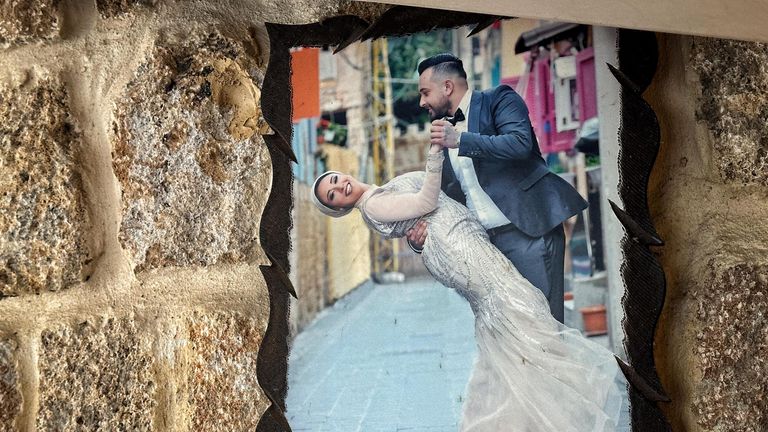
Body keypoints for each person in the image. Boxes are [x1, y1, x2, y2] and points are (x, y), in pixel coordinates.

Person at [311, 141, 629, 431]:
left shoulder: (376, 195)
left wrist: (419, 241)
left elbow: (417, 217)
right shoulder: (371, 206)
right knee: (516, 309)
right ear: (338, 209)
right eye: (333, 195)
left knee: (510, 322)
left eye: (335, 180)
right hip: (458, 249)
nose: (340, 187)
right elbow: (426, 201)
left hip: (460, 240)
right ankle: (563, 408)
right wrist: (435, 152)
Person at [406, 53, 588, 323]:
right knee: (512, 339)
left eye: (425, 92)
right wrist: (422, 239)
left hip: (528, 234)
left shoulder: (499, 100)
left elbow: (519, 143)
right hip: (489, 251)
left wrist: (461, 140)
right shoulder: (442, 137)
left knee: (544, 330)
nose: (422, 102)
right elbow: (447, 202)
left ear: (447, 87)